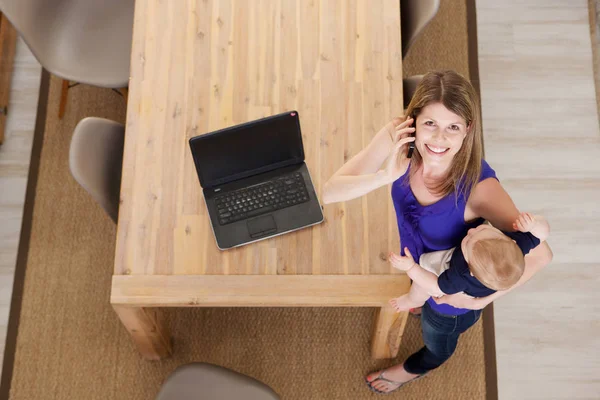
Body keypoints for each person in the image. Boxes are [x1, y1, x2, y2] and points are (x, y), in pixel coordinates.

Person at [321, 70, 553, 394]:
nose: (439, 139)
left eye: (453, 127)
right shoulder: (398, 136)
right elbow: (329, 191)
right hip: (421, 266)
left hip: (452, 298)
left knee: (437, 341)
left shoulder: (480, 191)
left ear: (467, 130)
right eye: (430, 123)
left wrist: (480, 302)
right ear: (414, 119)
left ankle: (412, 369)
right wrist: (383, 176)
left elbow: (541, 253)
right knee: (418, 298)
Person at [388, 212, 550, 313]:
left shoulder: (460, 275)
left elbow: (434, 285)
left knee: (421, 288)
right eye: (481, 230)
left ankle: (412, 301)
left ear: (469, 267)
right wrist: (534, 223)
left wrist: (411, 268)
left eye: (468, 241)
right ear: (509, 241)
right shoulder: (515, 245)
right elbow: (543, 233)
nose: (471, 231)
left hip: (463, 289)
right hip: (488, 281)